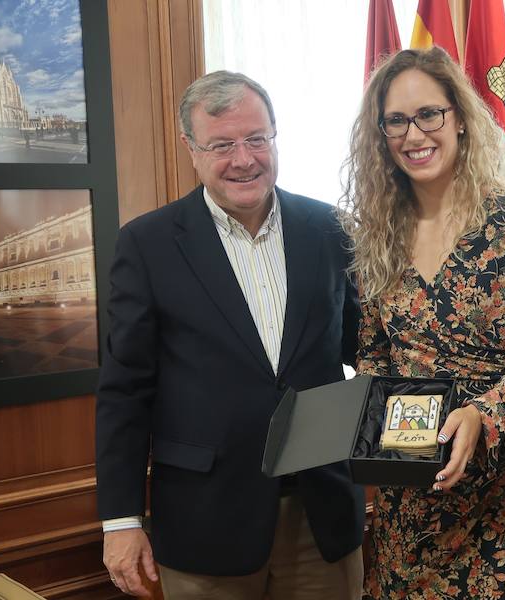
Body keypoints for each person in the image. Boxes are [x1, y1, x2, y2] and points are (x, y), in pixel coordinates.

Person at [96, 70, 364, 599]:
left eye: (256, 139)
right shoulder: (147, 246)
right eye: (222, 145)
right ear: (190, 149)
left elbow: (369, 347)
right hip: (205, 526)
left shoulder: (331, 229)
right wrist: (121, 521)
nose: (244, 159)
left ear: (274, 137)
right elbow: (124, 391)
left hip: (322, 518)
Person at [340, 47, 505, 599]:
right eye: (395, 120)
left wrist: (482, 412)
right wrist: (367, 434)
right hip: (412, 494)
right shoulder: (376, 234)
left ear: (461, 118)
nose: (413, 133)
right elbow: (373, 356)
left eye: (429, 114)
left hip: (503, 492)